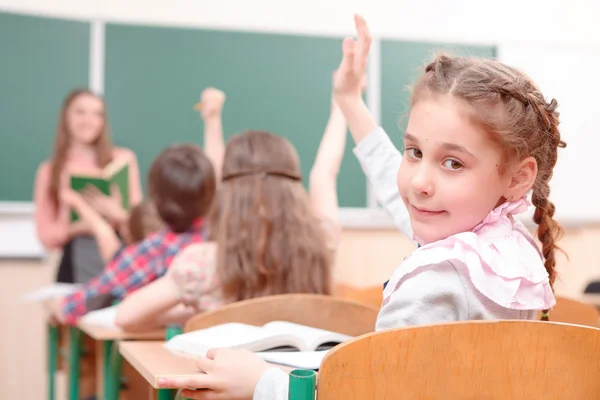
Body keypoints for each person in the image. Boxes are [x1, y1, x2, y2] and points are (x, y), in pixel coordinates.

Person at [157, 14, 564, 400]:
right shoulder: (502, 247)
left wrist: (263, 382)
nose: (419, 182)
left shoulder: (440, 276)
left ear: (516, 178)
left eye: (452, 163)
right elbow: (398, 185)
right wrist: (350, 101)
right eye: (414, 151)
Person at [115, 85, 348, 330]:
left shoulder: (201, 265)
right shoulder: (321, 245)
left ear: (227, 196)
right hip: (292, 369)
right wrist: (342, 103)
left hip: (225, 367)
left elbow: (125, 318)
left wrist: (188, 315)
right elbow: (325, 173)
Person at [48, 143, 216, 324]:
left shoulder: (153, 250)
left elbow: (93, 296)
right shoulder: (221, 243)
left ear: (154, 198)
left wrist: (59, 306)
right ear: (211, 195)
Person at [33, 89, 143, 284]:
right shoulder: (50, 171)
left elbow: (140, 228)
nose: (88, 120)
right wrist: (76, 228)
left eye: (97, 114)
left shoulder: (123, 160)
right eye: (80, 112)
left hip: (119, 258)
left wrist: (118, 214)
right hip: (74, 263)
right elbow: (46, 235)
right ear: (66, 117)